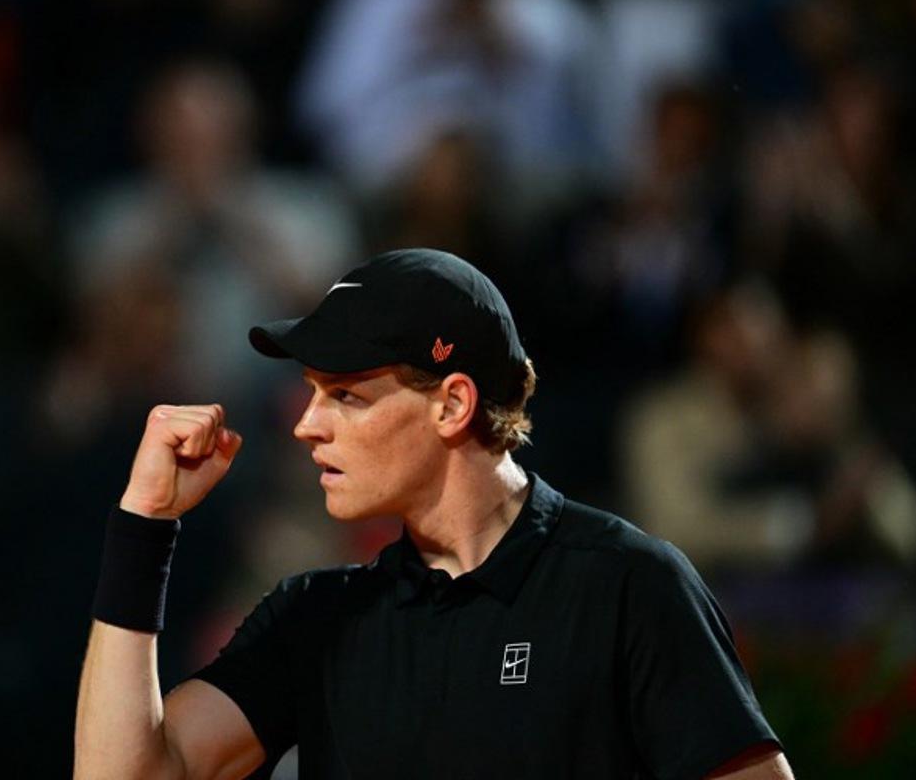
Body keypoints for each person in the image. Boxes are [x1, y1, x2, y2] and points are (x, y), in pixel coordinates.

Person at [74, 248, 795, 779]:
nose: (306, 424)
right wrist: (144, 526)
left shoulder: (627, 586)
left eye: (346, 396)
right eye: (311, 392)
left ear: (452, 404)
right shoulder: (316, 617)